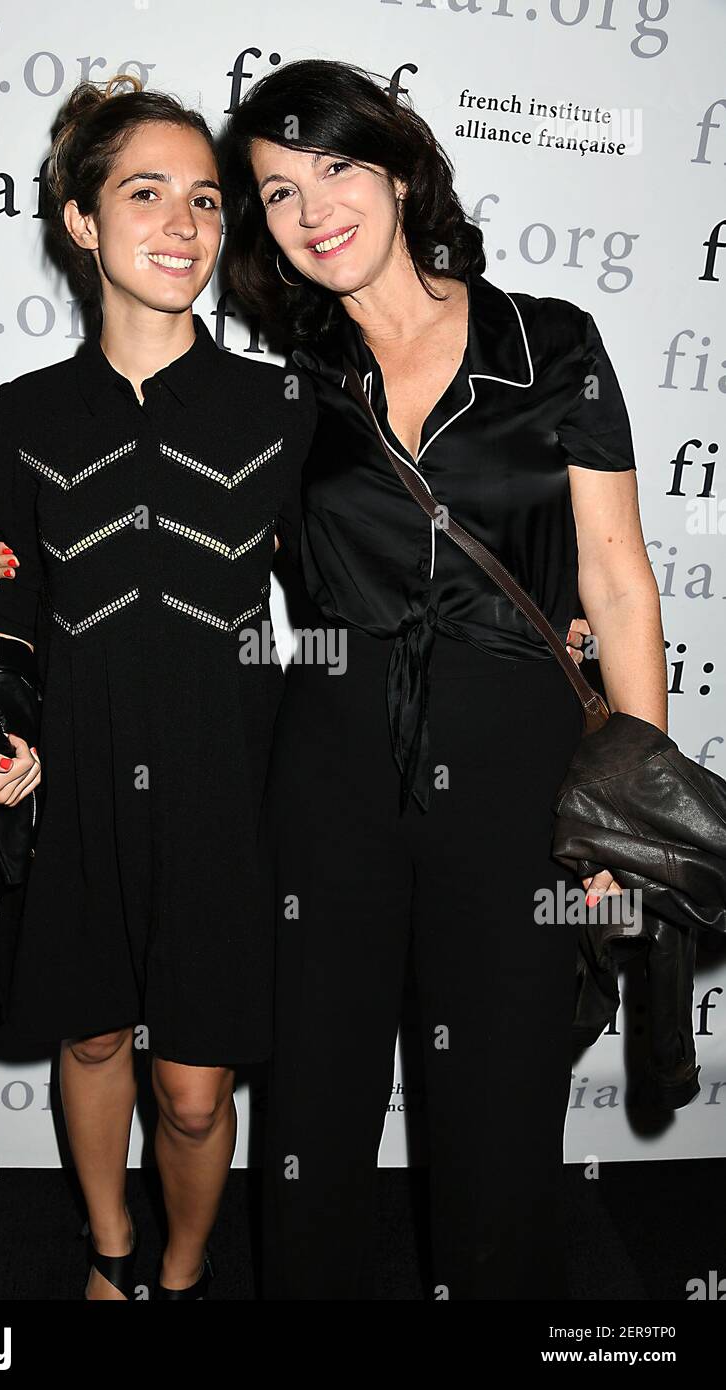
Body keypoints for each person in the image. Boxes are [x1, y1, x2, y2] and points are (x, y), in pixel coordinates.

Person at [218, 58, 668, 1299]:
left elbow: (619, 585)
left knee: (503, 1113)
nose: (310, 209)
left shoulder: (553, 344)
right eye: (273, 192)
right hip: (328, 770)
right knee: (310, 1112)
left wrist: (624, 815)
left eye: (336, 167)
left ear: (404, 170)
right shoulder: (281, 394)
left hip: (517, 768)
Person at [0, 74, 315, 1300]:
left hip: (230, 789)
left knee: (194, 1084)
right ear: (81, 222)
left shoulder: (285, 408)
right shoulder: (16, 420)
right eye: (145, 193)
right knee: (94, 1032)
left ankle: (179, 1270)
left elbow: (353, 599)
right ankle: (110, 1255)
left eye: (206, 201)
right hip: (84, 780)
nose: (183, 225)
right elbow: (5, 623)